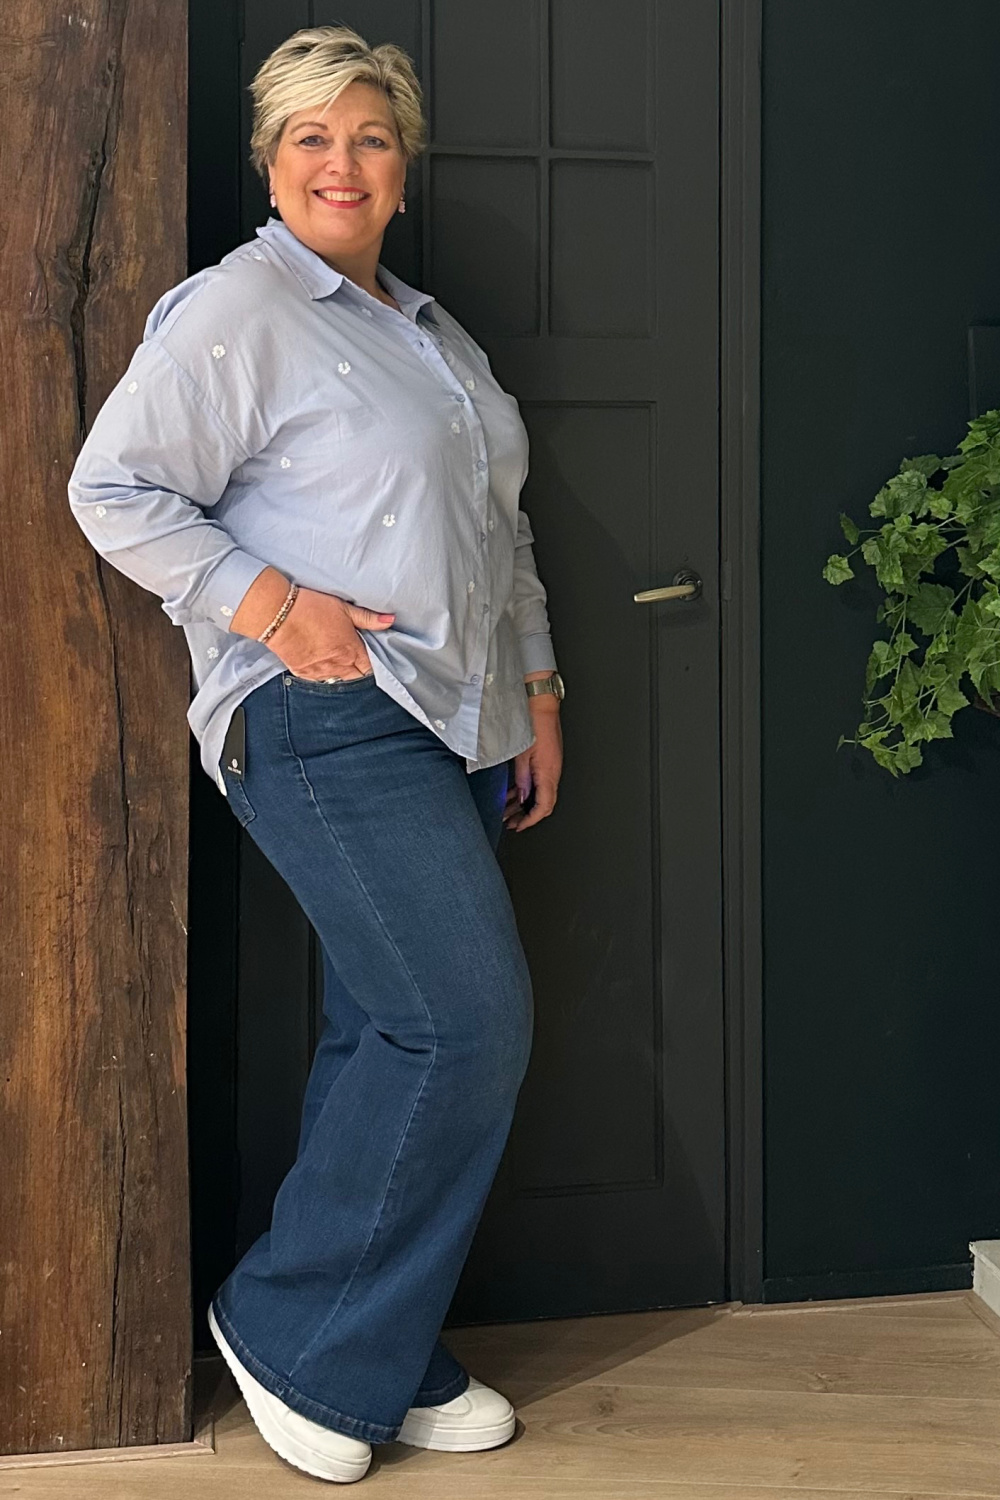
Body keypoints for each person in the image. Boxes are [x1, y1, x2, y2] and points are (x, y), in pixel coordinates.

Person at [67, 21, 564, 1488]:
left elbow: (502, 530)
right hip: (321, 712)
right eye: (311, 138)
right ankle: (299, 1330)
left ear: (403, 168)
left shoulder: (433, 334)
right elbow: (115, 488)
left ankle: (375, 1339)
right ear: (270, 163)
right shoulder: (241, 309)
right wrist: (276, 606)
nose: (341, 163)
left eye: (369, 137)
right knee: (463, 1024)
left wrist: (538, 687)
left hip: (453, 717)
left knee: (383, 1030)